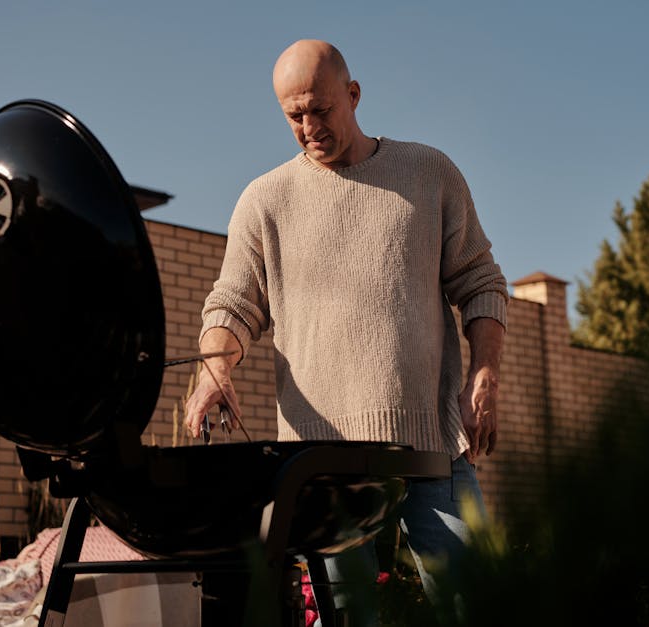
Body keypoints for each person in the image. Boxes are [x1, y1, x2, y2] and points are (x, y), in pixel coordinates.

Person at [185, 39, 508, 625]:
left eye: (321, 109)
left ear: (353, 96)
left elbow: (481, 280)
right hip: (321, 460)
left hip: (429, 443)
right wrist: (215, 370)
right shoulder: (264, 201)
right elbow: (231, 305)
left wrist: (484, 375)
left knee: (472, 602)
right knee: (350, 616)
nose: (309, 126)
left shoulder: (429, 172)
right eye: (294, 116)